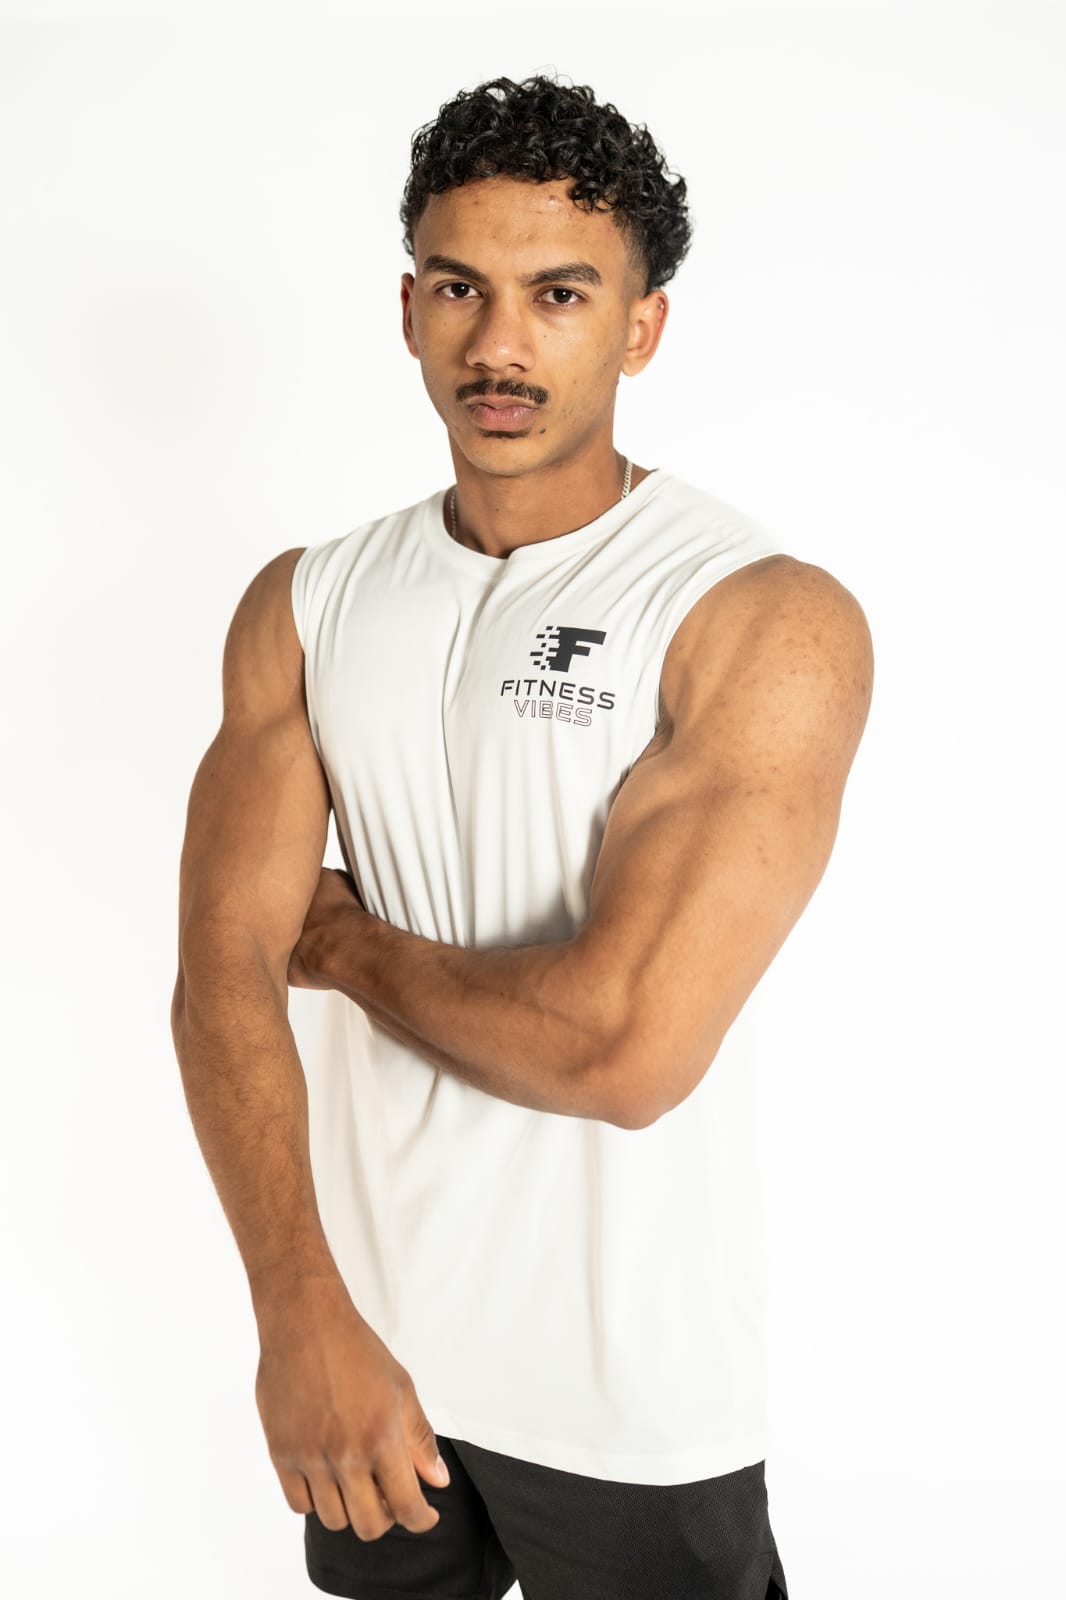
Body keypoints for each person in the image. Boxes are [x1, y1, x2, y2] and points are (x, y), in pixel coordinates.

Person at [171, 72, 873, 1600]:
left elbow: (625, 1052)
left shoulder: (750, 615)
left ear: (640, 326)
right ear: (408, 306)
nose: (497, 344)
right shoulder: (307, 600)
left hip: (629, 1395)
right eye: (457, 289)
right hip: (373, 1367)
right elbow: (221, 974)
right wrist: (298, 1318)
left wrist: (348, 944)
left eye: (558, 294)